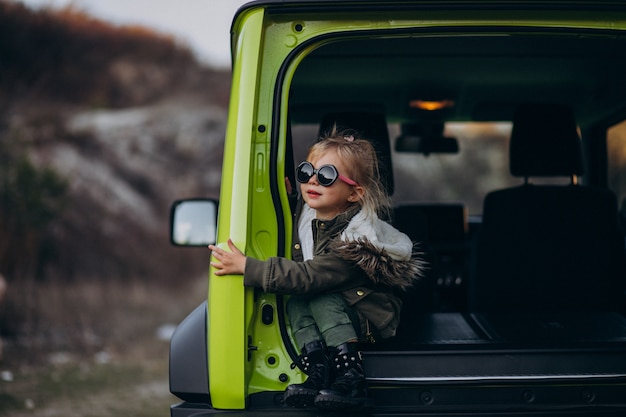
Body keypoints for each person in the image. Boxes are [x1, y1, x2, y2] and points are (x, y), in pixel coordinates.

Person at [209, 134, 424, 410]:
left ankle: (350, 373)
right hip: (340, 306)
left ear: (354, 193)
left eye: (326, 176)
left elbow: (308, 277)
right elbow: (301, 223)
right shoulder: (313, 214)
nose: (312, 180)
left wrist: (248, 267)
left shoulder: (355, 241)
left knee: (318, 297)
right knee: (296, 302)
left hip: (371, 317)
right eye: (307, 171)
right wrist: (286, 200)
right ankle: (318, 368)